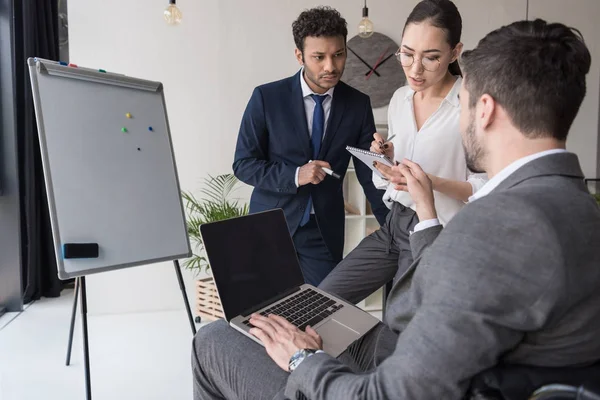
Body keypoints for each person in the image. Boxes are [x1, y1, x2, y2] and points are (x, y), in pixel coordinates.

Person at [192, 17, 600, 399]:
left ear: (486, 110)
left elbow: (389, 394)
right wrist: (424, 211)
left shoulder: (492, 230)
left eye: (462, 100)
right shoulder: (582, 213)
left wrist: (303, 360)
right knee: (327, 314)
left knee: (210, 341)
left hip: (397, 376)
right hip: (413, 345)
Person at [320, 0, 487, 305]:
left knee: (399, 326)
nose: (415, 68)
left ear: (455, 52)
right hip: (393, 225)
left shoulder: (473, 105)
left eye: (431, 58)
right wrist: (385, 163)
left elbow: (486, 188)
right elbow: (389, 182)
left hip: (436, 234)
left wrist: (428, 182)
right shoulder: (400, 98)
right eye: (407, 54)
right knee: (324, 300)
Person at [232, 6, 388, 287]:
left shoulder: (358, 104)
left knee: (325, 312)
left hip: (323, 231)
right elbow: (244, 164)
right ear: (299, 55)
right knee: (266, 315)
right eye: (319, 57)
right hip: (270, 226)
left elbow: (368, 172)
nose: (330, 66)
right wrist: (296, 175)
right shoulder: (267, 98)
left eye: (338, 54)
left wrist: (393, 227)